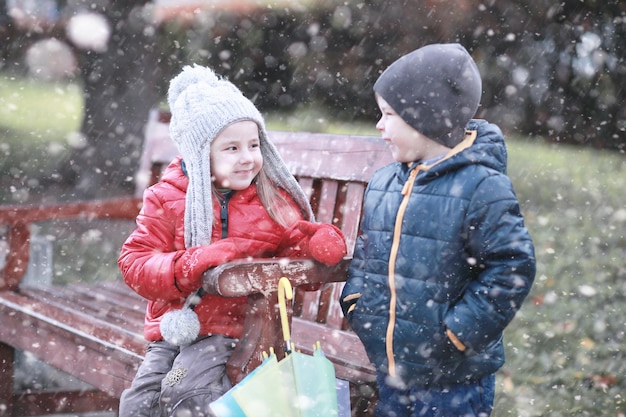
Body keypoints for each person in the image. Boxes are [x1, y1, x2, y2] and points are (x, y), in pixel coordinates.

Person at [118, 64, 347, 417]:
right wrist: (189, 265)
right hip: (173, 332)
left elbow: (294, 252)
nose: (247, 157)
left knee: (182, 391)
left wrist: (317, 242)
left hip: (236, 331)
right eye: (232, 148)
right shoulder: (166, 198)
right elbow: (135, 263)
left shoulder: (271, 201)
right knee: (141, 401)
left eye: (254, 145)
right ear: (200, 155)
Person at [339, 43, 536, 417]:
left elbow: (511, 268)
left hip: (455, 380)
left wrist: (456, 334)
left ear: (424, 117)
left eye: (388, 114)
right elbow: (367, 256)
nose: (379, 125)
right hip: (393, 370)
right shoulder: (383, 183)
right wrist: (356, 303)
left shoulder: (481, 186)